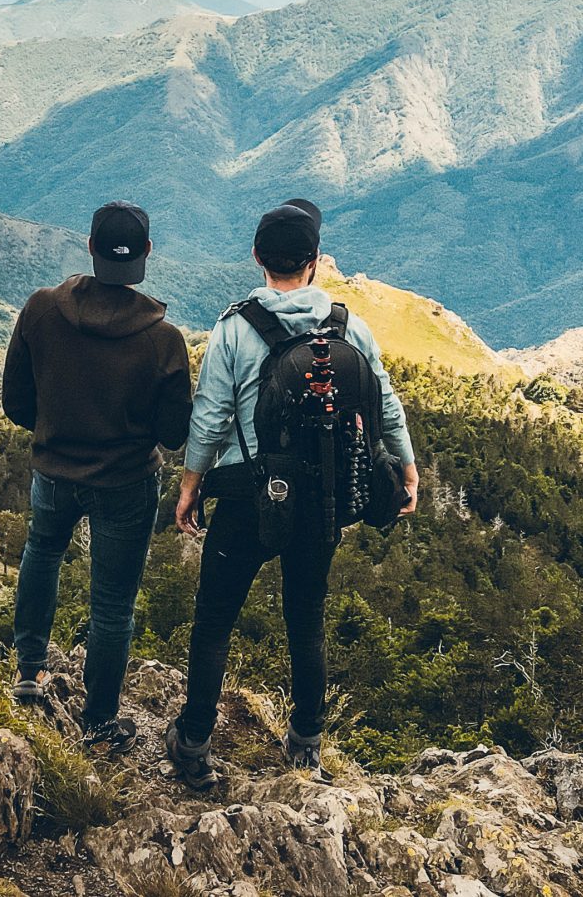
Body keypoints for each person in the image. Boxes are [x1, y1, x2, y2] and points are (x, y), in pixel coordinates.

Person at [164, 201, 419, 787]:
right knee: (306, 617)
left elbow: (208, 420)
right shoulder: (349, 326)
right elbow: (384, 405)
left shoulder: (234, 329)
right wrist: (407, 469)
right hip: (322, 500)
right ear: (314, 262)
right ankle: (305, 744)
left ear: (257, 258)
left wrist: (189, 485)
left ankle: (195, 743)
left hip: (248, 500)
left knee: (215, 620)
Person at [2, 200, 192, 749]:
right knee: (112, 603)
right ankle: (100, 720)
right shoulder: (163, 340)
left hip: (54, 470)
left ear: (89, 246)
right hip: (126, 484)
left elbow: (16, 402)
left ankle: (30, 670)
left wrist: (57, 424)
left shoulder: (41, 310)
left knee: (43, 551)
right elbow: (174, 431)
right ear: (147, 255)